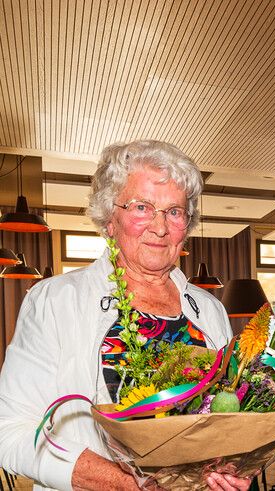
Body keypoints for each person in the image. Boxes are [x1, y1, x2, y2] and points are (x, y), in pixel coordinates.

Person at [0, 140, 251, 491]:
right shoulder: (55, 301)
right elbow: (12, 431)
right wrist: (126, 484)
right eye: (142, 207)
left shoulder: (208, 310)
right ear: (109, 219)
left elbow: (226, 418)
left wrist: (232, 465)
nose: (160, 227)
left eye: (174, 211)